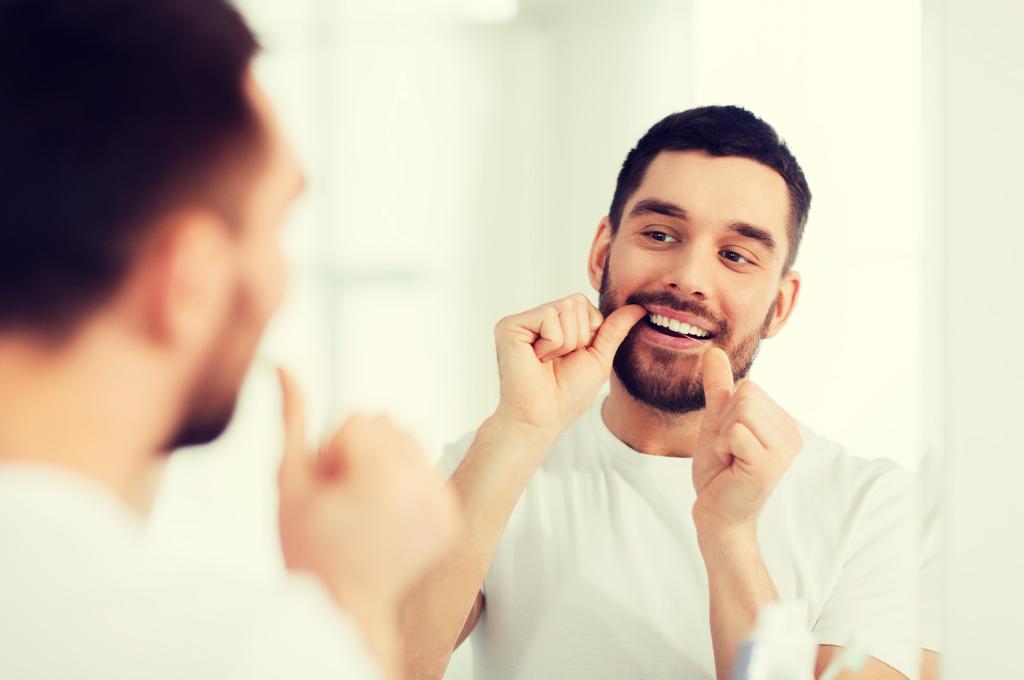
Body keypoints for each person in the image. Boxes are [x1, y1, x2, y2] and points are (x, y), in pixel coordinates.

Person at [0, 1, 456, 678]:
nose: (279, 281)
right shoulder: (236, 652)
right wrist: (355, 606)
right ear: (190, 282)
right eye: (275, 226)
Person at [402, 106, 918, 680]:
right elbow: (385, 664)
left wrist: (732, 538)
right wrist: (519, 432)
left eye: (735, 255)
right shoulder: (487, 466)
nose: (689, 277)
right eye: (659, 234)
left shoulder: (876, 509)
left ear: (781, 305)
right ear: (603, 251)